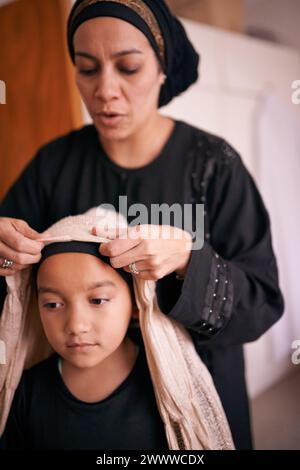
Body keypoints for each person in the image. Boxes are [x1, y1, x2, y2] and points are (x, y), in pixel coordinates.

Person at [0, 0, 284, 449]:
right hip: (81, 414)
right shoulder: (52, 167)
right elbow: (16, 296)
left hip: (197, 405)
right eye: (87, 69)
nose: (105, 90)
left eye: (128, 67)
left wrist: (189, 263)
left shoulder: (214, 165)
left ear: (162, 69)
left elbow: (263, 302)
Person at [0, 238, 169, 450]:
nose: (76, 325)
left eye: (97, 300)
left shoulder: (165, 387)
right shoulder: (24, 393)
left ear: (137, 303)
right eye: (53, 304)